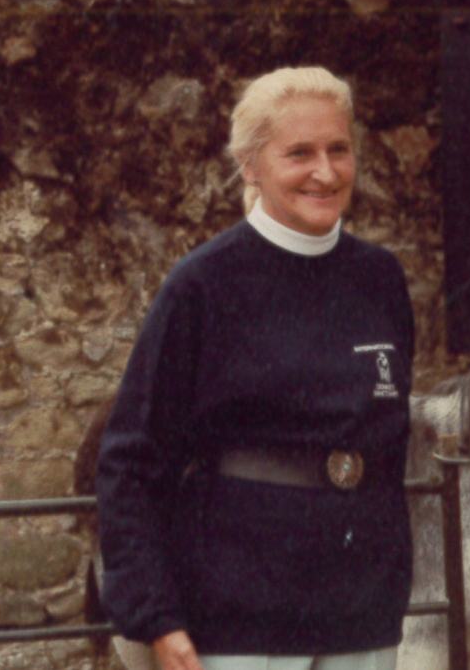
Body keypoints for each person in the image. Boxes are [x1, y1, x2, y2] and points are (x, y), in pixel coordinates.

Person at [95, 67, 415, 670]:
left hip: (361, 613)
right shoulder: (201, 287)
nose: (326, 172)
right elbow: (130, 463)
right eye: (299, 153)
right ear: (251, 165)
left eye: (338, 150)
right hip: (237, 618)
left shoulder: (381, 279)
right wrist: (157, 617)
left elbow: (385, 447)